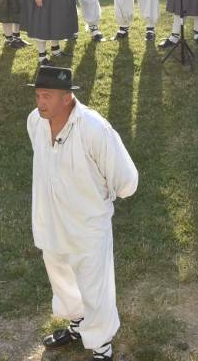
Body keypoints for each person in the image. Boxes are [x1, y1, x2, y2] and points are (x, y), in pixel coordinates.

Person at [27, 65, 138, 361]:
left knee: (95, 287)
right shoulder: (35, 122)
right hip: (49, 220)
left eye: (47, 95)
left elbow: (127, 180)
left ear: (67, 98)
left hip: (88, 227)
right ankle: (78, 323)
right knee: (61, 278)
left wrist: (99, 200)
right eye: (38, 94)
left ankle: (101, 345)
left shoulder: (94, 128)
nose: (40, 102)